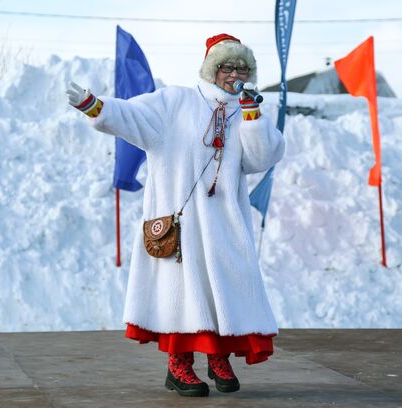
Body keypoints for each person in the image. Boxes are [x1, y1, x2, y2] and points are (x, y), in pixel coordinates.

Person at [67, 33, 285, 398]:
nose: (235, 74)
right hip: (181, 223)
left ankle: (219, 357)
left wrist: (251, 115)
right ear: (212, 69)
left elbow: (261, 159)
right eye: (227, 67)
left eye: (242, 68)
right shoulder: (176, 102)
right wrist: (94, 106)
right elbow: (131, 115)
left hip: (226, 223)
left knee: (226, 288)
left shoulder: (248, 110)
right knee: (181, 293)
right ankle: (178, 366)